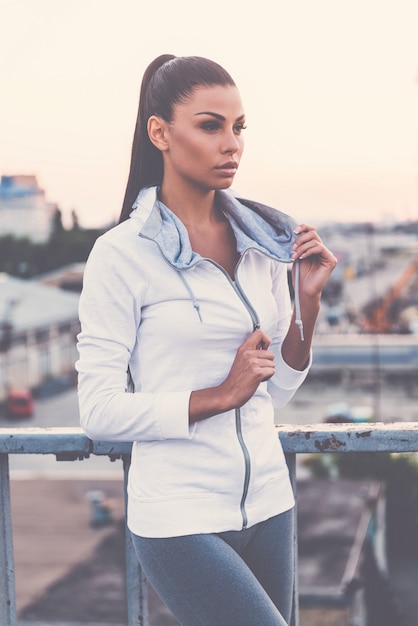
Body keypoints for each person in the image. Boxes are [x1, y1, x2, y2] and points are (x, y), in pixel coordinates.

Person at [76, 54, 337, 626]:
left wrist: (307, 302)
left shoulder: (262, 243)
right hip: (179, 516)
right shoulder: (121, 255)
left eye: (239, 127)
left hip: (270, 503)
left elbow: (277, 391)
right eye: (211, 125)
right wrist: (219, 395)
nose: (232, 144)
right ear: (160, 133)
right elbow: (98, 411)